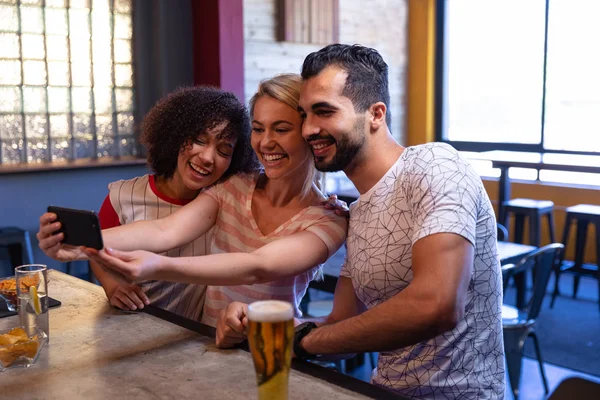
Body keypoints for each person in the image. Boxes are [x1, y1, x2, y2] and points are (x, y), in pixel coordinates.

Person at [217, 44, 505, 399]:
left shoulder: (435, 165)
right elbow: (342, 331)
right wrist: (262, 326)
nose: (308, 129)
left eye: (324, 112)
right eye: (304, 115)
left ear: (375, 114)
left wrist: (303, 341)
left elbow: (437, 305)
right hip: (383, 390)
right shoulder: (360, 212)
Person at [37, 74, 348, 328]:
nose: (266, 142)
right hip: (209, 343)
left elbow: (258, 266)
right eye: (257, 129)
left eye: (281, 129)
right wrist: (79, 242)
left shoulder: (329, 218)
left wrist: (158, 265)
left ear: (309, 132)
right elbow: (165, 231)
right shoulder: (234, 187)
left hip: (272, 350)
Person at [84, 86, 259, 319]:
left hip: (188, 336)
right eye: (198, 140)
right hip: (124, 325)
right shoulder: (122, 196)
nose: (207, 157)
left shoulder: (225, 203)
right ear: (175, 135)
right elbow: (96, 251)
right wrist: (112, 285)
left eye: (224, 150)